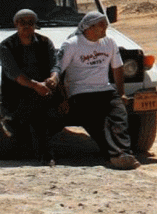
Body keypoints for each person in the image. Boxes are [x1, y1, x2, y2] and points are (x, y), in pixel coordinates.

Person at [52, 11, 140, 170]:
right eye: (102, 25)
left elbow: (118, 68)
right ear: (89, 28)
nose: (106, 27)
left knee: (119, 117)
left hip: (105, 89)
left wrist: (121, 93)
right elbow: (59, 71)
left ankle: (125, 153)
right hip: (80, 92)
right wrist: (63, 99)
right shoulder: (72, 44)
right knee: (98, 122)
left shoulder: (109, 42)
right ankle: (115, 155)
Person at [0, 9, 61, 164]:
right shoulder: (6, 46)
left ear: (35, 25)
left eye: (30, 23)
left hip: (43, 90)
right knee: (38, 106)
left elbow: (55, 66)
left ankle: (34, 147)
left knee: (39, 106)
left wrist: (53, 78)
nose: (27, 26)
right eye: (22, 23)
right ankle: (46, 154)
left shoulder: (45, 42)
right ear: (16, 25)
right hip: (16, 93)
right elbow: (15, 74)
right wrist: (36, 86)